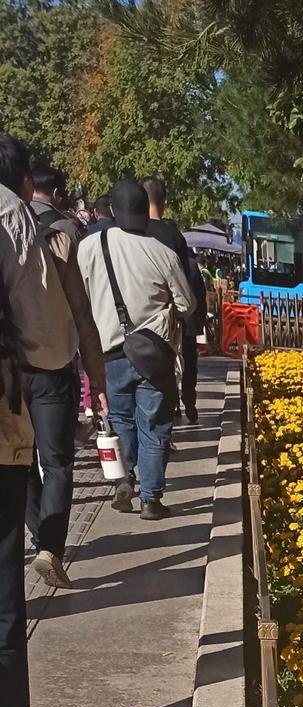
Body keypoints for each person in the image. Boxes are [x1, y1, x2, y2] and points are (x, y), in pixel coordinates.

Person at [78, 178, 195, 520]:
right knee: (154, 425)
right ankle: (151, 499)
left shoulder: (90, 246)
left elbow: (78, 296)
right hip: (154, 354)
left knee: (122, 419)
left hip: (108, 352)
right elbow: (186, 305)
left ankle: (124, 478)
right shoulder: (162, 252)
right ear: (147, 211)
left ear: (112, 210)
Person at [21, 159, 106, 588]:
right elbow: (82, 314)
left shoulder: (8, 232)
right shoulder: (65, 235)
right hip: (53, 364)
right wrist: (98, 379)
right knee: (57, 463)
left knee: (21, 459)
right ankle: (50, 546)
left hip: (11, 367)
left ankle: (39, 532)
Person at [142, 176, 206, 424]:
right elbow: (182, 280)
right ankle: (186, 403)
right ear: (164, 202)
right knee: (182, 365)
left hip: (141, 319)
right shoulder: (174, 238)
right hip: (174, 318)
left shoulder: (132, 234)